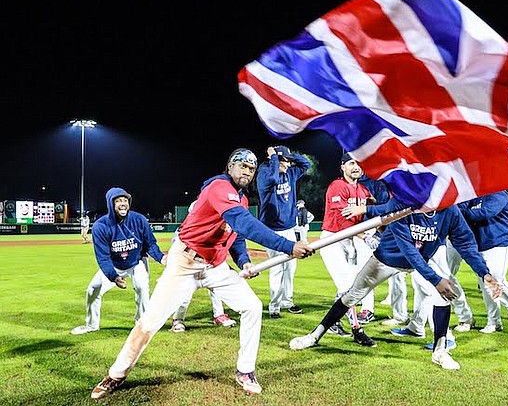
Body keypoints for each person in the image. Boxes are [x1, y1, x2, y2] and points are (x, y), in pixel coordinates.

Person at [91, 148, 313, 399]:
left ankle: (245, 370)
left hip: (214, 267)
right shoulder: (219, 187)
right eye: (242, 165)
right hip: (184, 262)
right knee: (150, 321)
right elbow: (243, 223)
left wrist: (244, 262)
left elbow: (236, 235)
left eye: (251, 169)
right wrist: (288, 246)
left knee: (252, 306)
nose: (247, 171)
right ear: (230, 167)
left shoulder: (240, 200)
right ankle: (116, 375)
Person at [289, 197, 501, 371]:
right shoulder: (403, 204)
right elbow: (408, 250)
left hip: (421, 260)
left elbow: (464, 241)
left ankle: (440, 350)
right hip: (387, 259)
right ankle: (314, 336)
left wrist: (484, 273)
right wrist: (435, 279)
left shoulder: (450, 209)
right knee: (352, 295)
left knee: (444, 294)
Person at [70, 188, 165, 335]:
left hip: (136, 261)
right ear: (110, 203)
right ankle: (91, 325)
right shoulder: (101, 226)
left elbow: (150, 243)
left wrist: (160, 257)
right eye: (118, 200)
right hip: (115, 265)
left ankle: (141, 324)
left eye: (125, 200)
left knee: (142, 289)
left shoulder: (138, 219)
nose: (123, 203)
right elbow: (103, 257)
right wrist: (113, 276)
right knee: (92, 290)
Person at [318, 152, 377, 338]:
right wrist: (365, 237)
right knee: (347, 286)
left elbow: (373, 213)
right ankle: (357, 329)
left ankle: (333, 322)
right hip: (333, 240)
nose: (356, 166)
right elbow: (343, 220)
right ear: (343, 167)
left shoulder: (363, 191)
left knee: (350, 285)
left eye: (359, 163)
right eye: (351, 163)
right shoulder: (338, 186)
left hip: (349, 241)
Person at [458, 191, 508, 333]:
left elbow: (483, 213)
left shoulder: (499, 194)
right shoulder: (473, 194)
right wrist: (464, 211)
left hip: (499, 243)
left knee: (496, 281)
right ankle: (494, 321)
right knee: (485, 285)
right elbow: (462, 207)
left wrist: (463, 213)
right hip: (479, 244)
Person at [257, 145, 311, 318]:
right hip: (272, 231)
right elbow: (272, 180)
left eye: (288, 162)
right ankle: (274, 307)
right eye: (284, 161)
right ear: (274, 160)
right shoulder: (264, 173)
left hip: (289, 228)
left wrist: (288, 155)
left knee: (290, 268)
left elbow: (305, 164)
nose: (288, 165)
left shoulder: (290, 173)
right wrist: (274, 158)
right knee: (277, 268)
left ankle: (287, 301)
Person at [359, 172, 408, 326]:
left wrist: (380, 233)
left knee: (398, 275)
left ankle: (400, 315)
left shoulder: (386, 180)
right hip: (364, 231)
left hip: (387, 231)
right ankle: (365, 309)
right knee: (361, 271)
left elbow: (388, 209)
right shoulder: (359, 182)